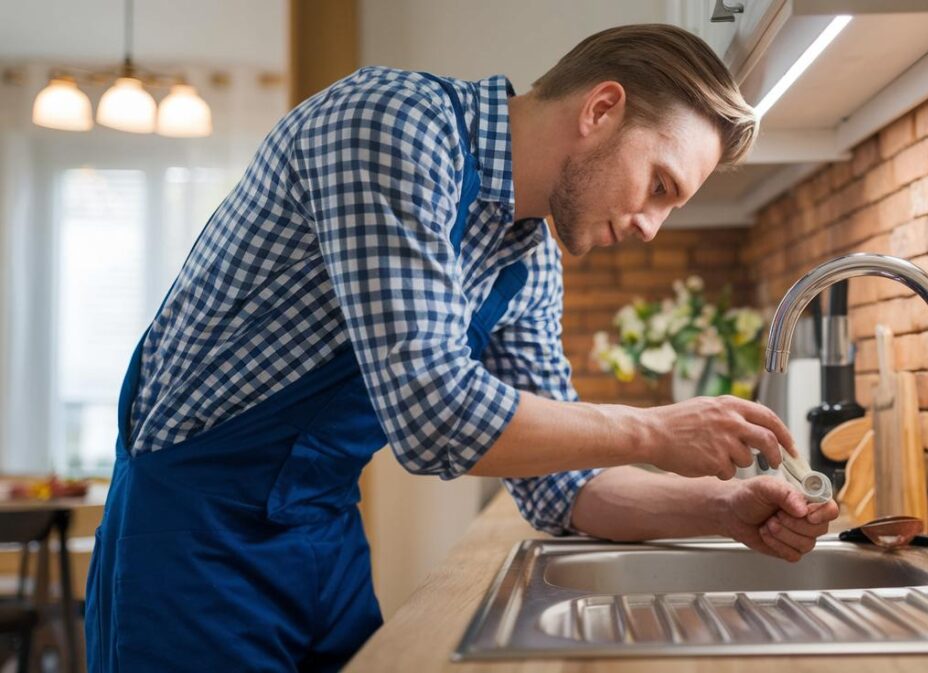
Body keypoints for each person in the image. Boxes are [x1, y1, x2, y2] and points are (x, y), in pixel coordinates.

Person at [85, 23, 839, 672]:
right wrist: (653, 427)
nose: (651, 224)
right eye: (660, 185)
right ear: (602, 109)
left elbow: (563, 489)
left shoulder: (528, 258)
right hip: (192, 532)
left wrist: (725, 507)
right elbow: (433, 414)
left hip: (322, 531)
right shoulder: (391, 125)